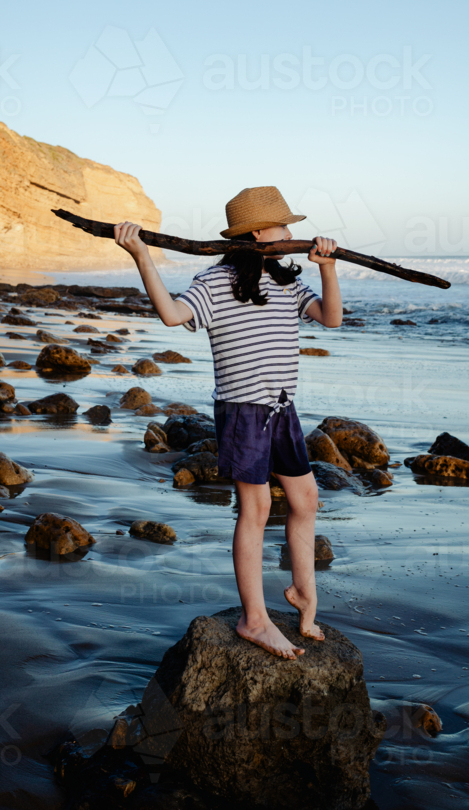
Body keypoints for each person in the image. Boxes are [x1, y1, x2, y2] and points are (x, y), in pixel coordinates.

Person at [114, 186, 342, 660]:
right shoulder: (214, 282)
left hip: (282, 408)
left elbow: (332, 318)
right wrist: (141, 255)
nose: (291, 233)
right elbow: (172, 315)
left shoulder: (285, 280)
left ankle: (303, 593)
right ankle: (253, 620)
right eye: (284, 226)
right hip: (243, 410)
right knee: (255, 508)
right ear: (259, 232)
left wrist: (328, 268)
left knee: (306, 498)